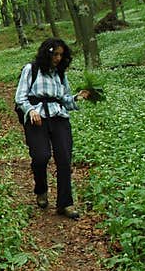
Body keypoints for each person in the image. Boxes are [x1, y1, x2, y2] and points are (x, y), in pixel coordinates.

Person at [14, 38, 90, 220]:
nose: (58, 58)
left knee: (64, 158)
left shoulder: (60, 74)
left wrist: (78, 98)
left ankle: (65, 203)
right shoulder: (31, 70)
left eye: (61, 55)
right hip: (36, 118)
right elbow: (20, 97)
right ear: (46, 52)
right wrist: (31, 110)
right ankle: (41, 189)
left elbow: (65, 99)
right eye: (55, 54)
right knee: (41, 156)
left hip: (58, 117)